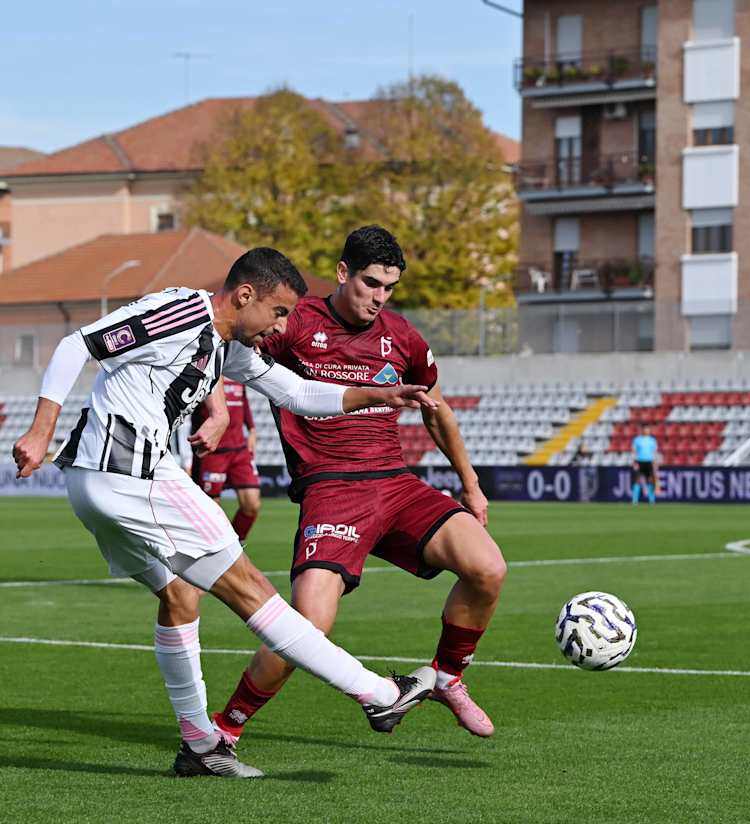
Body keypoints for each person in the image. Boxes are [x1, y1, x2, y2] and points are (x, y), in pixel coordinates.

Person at [12, 247, 438, 779]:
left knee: (179, 597)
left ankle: (199, 745)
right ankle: (380, 694)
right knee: (252, 590)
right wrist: (41, 428)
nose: (280, 326)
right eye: (278, 312)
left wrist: (379, 394)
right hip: (133, 474)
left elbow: (297, 391)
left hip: (94, 482)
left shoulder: (223, 346)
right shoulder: (183, 310)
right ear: (244, 296)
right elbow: (77, 343)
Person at [211, 226, 507, 748]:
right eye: (371, 283)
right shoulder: (294, 320)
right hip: (331, 489)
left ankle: (446, 677)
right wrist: (215, 406)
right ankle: (225, 728)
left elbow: (437, 412)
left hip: (395, 483)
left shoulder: (402, 335)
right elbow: (225, 340)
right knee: (308, 625)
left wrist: (471, 484)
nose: (379, 297)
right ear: (344, 272)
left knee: (487, 567)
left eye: (389, 287)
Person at [191, 378, 261, 542]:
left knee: (252, 504)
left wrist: (251, 428)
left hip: (239, 449)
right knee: (211, 510)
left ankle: (237, 543)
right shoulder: (207, 370)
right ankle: (216, 550)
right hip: (213, 451)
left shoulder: (236, 370)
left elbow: (243, 402)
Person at [631, 424, 658, 504]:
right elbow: (634, 451)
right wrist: (634, 462)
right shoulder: (637, 440)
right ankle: (634, 501)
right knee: (637, 481)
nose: (646, 431)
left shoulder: (652, 440)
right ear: (642, 430)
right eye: (645, 429)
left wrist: (655, 463)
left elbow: (654, 452)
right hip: (639, 462)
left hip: (649, 462)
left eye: (647, 429)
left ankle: (651, 500)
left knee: (650, 481)